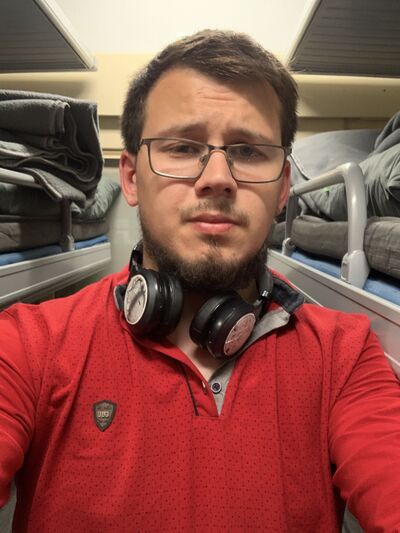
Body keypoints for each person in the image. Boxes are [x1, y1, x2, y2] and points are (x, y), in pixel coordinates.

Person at [0, 29, 400, 533]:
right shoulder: (29, 345)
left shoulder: (345, 356)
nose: (217, 178)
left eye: (249, 152)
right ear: (131, 178)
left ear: (283, 189)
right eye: (183, 147)